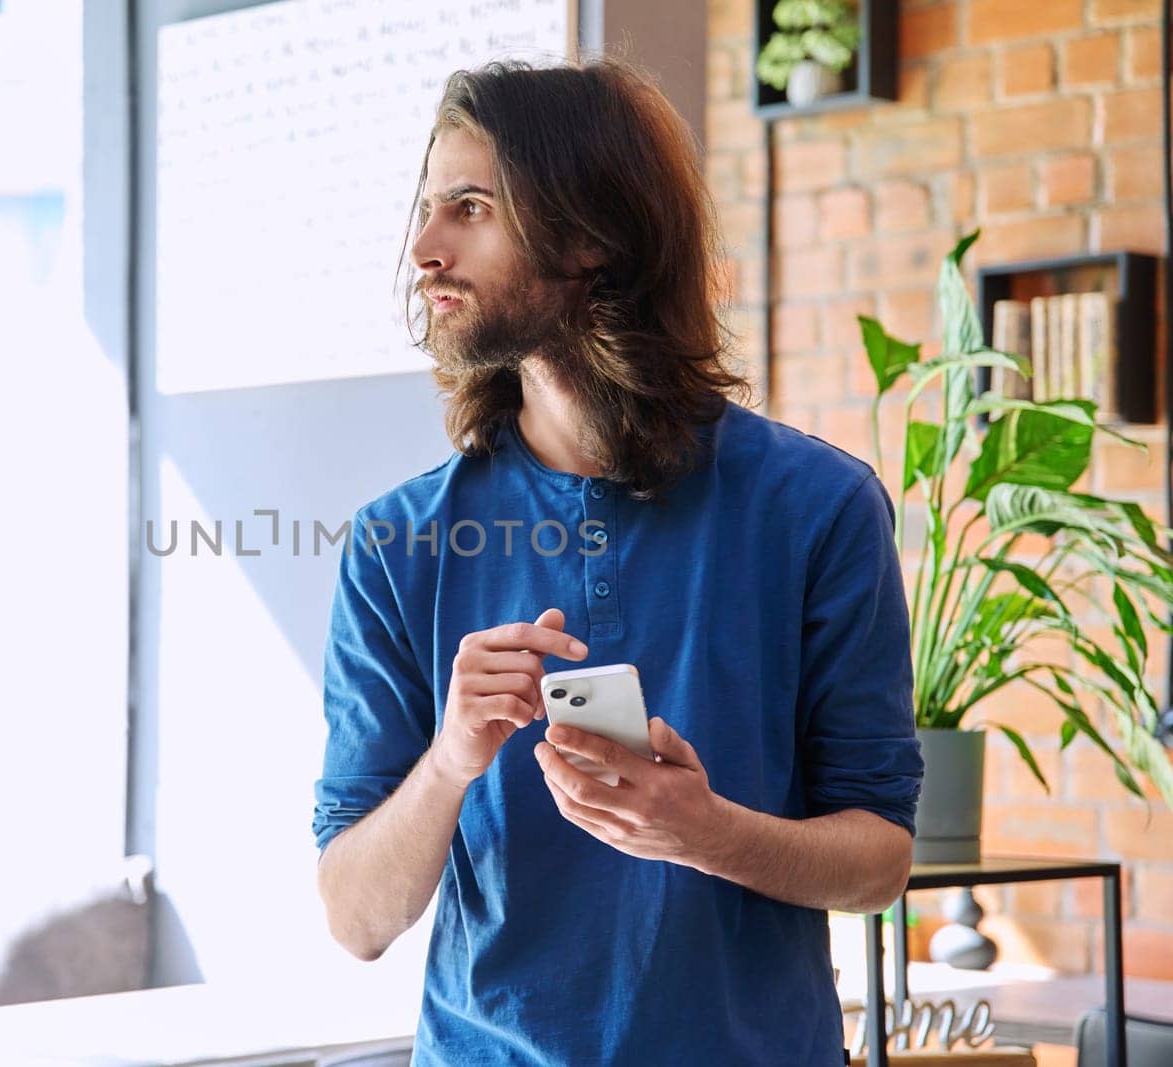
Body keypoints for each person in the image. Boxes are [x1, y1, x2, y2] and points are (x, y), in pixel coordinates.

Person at [312, 56, 923, 1065]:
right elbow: (356, 916)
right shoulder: (397, 542)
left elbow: (878, 859)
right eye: (428, 209)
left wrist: (706, 829)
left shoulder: (817, 508)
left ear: (591, 233)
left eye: (470, 208)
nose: (424, 249)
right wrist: (452, 756)